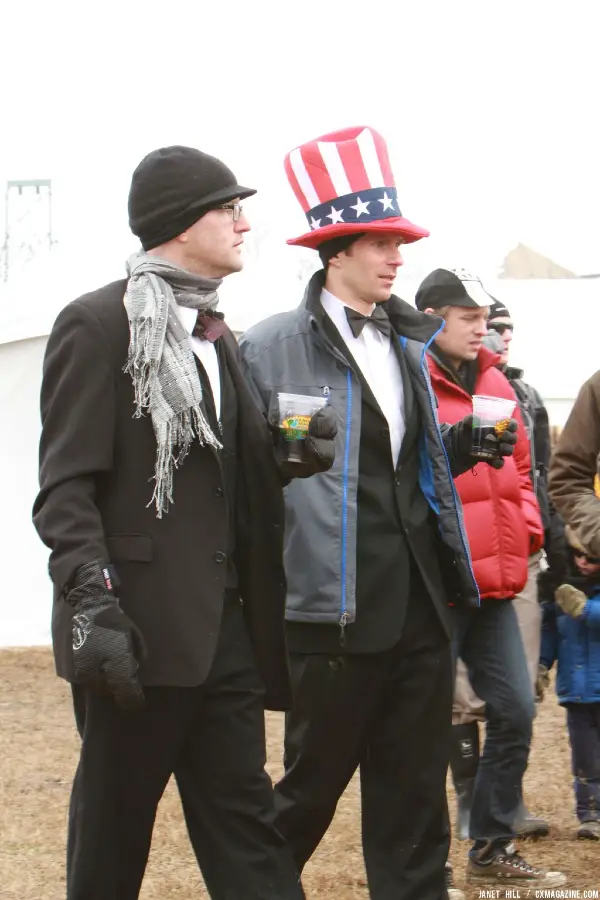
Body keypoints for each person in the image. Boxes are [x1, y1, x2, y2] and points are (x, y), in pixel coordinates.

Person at [32, 145, 337, 900]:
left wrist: (285, 458)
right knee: (112, 837)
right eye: (227, 208)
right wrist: (91, 602)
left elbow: (222, 480)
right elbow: (65, 488)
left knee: (250, 836)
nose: (244, 222)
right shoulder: (97, 323)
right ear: (178, 222)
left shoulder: (215, 335)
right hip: (131, 637)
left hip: (224, 638)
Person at [240, 125, 517, 900]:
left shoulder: (412, 349)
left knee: (413, 798)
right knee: (308, 792)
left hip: (423, 609)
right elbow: (250, 490)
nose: (399, 256)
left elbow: (405, 470)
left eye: (401, 242)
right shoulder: (266, 350)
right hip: (332, 613)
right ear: (337, 252)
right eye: (383, 244)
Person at [416, 267, 565, 889]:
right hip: (436, 587)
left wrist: (528, 530)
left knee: (515, 712)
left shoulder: (497, 380)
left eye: (485, 317)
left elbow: (522, 470)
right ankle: (423, 865)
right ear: (431, 318)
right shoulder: (410, 381)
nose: (483, 328)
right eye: (468, 316)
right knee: (422, 724)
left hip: (498, 582)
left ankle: (489, 849)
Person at [451, 298, 558, 840]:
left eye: (503, 327)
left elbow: (531, 470)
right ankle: (470, 806)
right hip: (458, 570)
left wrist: (532, 527)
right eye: (488, 326)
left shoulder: (517, 390)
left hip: (514, 561)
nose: (498, 335)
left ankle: (503, 809)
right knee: (462, 698)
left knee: (518, 698)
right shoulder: (423, 378)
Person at [538, 524, 600, 840]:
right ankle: (590, 815)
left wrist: (584, 609)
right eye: (577, 555)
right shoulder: (561, 592)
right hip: (577, 695)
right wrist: (541, 665)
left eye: (590, 557)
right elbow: (550, 632)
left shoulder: (578, 600)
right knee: (585, 760)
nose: (582, 563)